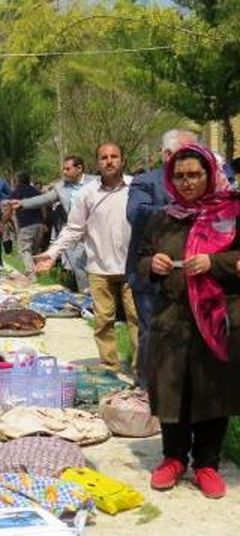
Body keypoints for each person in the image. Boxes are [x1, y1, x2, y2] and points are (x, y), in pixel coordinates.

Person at [136, 143, 240, 500]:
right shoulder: (163, 217)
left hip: (216, 318)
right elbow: (140, 259)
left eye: (194, 174)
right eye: (179, 176)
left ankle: (207, 463)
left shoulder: (231, 211)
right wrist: (153, 264)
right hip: (172, 319)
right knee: (171, 389)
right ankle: (173, 458)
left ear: (210, 173)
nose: (187, 182)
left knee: (213, 390)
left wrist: (216, 263)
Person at [34, 143, 140, 372]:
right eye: (104, 158)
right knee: (103, 321)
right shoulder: (86, 194)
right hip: (99, 268)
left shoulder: (136, 187)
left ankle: (141, 370)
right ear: (97, 163)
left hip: (132, 268)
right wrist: (52, 253)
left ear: (122, 160)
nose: (109, 161)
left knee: (136, 319)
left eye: (114, 156)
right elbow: (73, 229)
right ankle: (109, 367)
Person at [127, 129, 200, 388]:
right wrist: (179, 211)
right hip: (151, 274)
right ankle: (147, 389)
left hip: (192, 275)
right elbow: (136, 214)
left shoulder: (205, 182)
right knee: (152, 333)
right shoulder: (146, 181)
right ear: (168, 154)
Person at [12, 155, 95, 292]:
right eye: (63, 169)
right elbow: (44, 198)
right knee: (79, 267)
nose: (64, 172)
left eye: (67, 169)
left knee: (98, 269)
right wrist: (22, 203)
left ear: (79, 168)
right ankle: (86, 297)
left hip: (97, 232)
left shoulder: (95, 182)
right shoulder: (60, 187)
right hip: (76, 233)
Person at [7, 172, 46, 272]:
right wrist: (43, 222)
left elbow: (9, 209)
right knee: (36, 250)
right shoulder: (36, 191)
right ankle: (39, 271)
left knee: (25, 250)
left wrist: (3, 222)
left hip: (26, 225)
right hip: (39, 224)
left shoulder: (16, 193)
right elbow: (43, 208)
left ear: (18, 180)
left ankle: (31, 273)